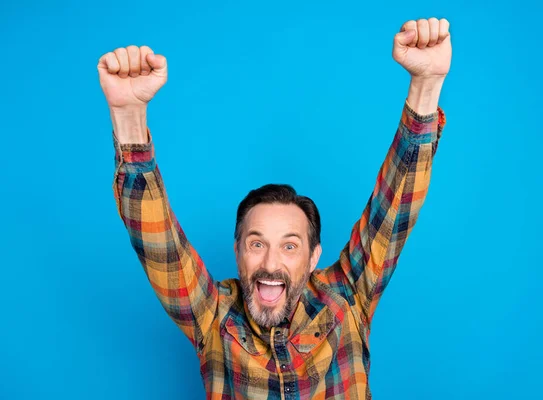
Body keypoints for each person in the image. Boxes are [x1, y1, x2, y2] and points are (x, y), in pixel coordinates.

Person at [98, 16, 451, 400]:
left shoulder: (347, 299)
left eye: (289, 245)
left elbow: (394, 209)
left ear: (314, 256)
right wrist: (130, 118)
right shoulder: (214, 318)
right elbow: (159, 245)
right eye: (256, 243)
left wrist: (426, 86)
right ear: (237, 251)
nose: (270, 263)